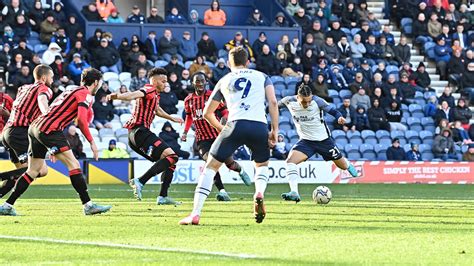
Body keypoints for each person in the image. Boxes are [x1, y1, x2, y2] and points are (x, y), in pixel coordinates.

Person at [179, 47, 279, 225]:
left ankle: (195, 213)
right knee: (262, 165)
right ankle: (259, 192)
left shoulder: (224, 80)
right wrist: (275, 131)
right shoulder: (262, 76)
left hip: (234, 124)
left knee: (210, 167)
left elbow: (207, 113)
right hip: (258, 125)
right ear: (248, 61)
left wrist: (222, 129)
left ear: (228, 63)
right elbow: (272, 102)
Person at [0, 68, 112, 216]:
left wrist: (48, 145)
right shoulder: (86, 95)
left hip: (34, 127)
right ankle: (88, 205)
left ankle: (7, 206)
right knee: (74, 165)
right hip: (49, 129)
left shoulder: (70, 90)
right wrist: (92, 142)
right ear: (96, 82)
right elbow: (82, 121)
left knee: (33, 170)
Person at [107, 68, 184, 204]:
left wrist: (171, 118)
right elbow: (132, 95)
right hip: (140, 132)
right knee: (172, 156)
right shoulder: (148, 89)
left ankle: (163, 196)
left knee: (171, 162)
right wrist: (117, 96)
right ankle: (140, 181)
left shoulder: (155, 95)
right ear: (154, 80)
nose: (165, 83)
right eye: (163, 81)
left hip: (135, 135)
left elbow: (157, 110)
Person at [278, 84, 358, 202]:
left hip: (324, 141)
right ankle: (294, 192)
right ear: (298, 97)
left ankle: (347, 163)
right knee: (290, 162)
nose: (308, 104)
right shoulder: (288, 101)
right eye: (304, 102)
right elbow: (274, 105)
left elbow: (333, 111)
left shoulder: (317, 101)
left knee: (342, 166)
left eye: (309, 101)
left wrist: (339, 117)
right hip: (306, 141)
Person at [181, 72, 251, 201]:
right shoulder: (188, 100)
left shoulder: (212, 96)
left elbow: (225, 111)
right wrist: (185, 131)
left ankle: (240, 170)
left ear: (206, 82)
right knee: (210, 163)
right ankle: (222, 192)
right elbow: (189, 116)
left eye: (202, 81)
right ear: (193, 83)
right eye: (197, 81)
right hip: (202, 139)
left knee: (229, 164)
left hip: (217, 136)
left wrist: (224, 119)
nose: (200, 84)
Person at [0, 65, 52, 201]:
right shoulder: (44, 88)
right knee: (40, 170)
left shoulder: (23, 88)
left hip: (8, 132)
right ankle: (2, 178)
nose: (52, 80)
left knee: (20, 174)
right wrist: (47, 114)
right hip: (20, 133)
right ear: (44, 77)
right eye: (51, 77)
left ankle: (5, 204)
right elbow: (41, 100)